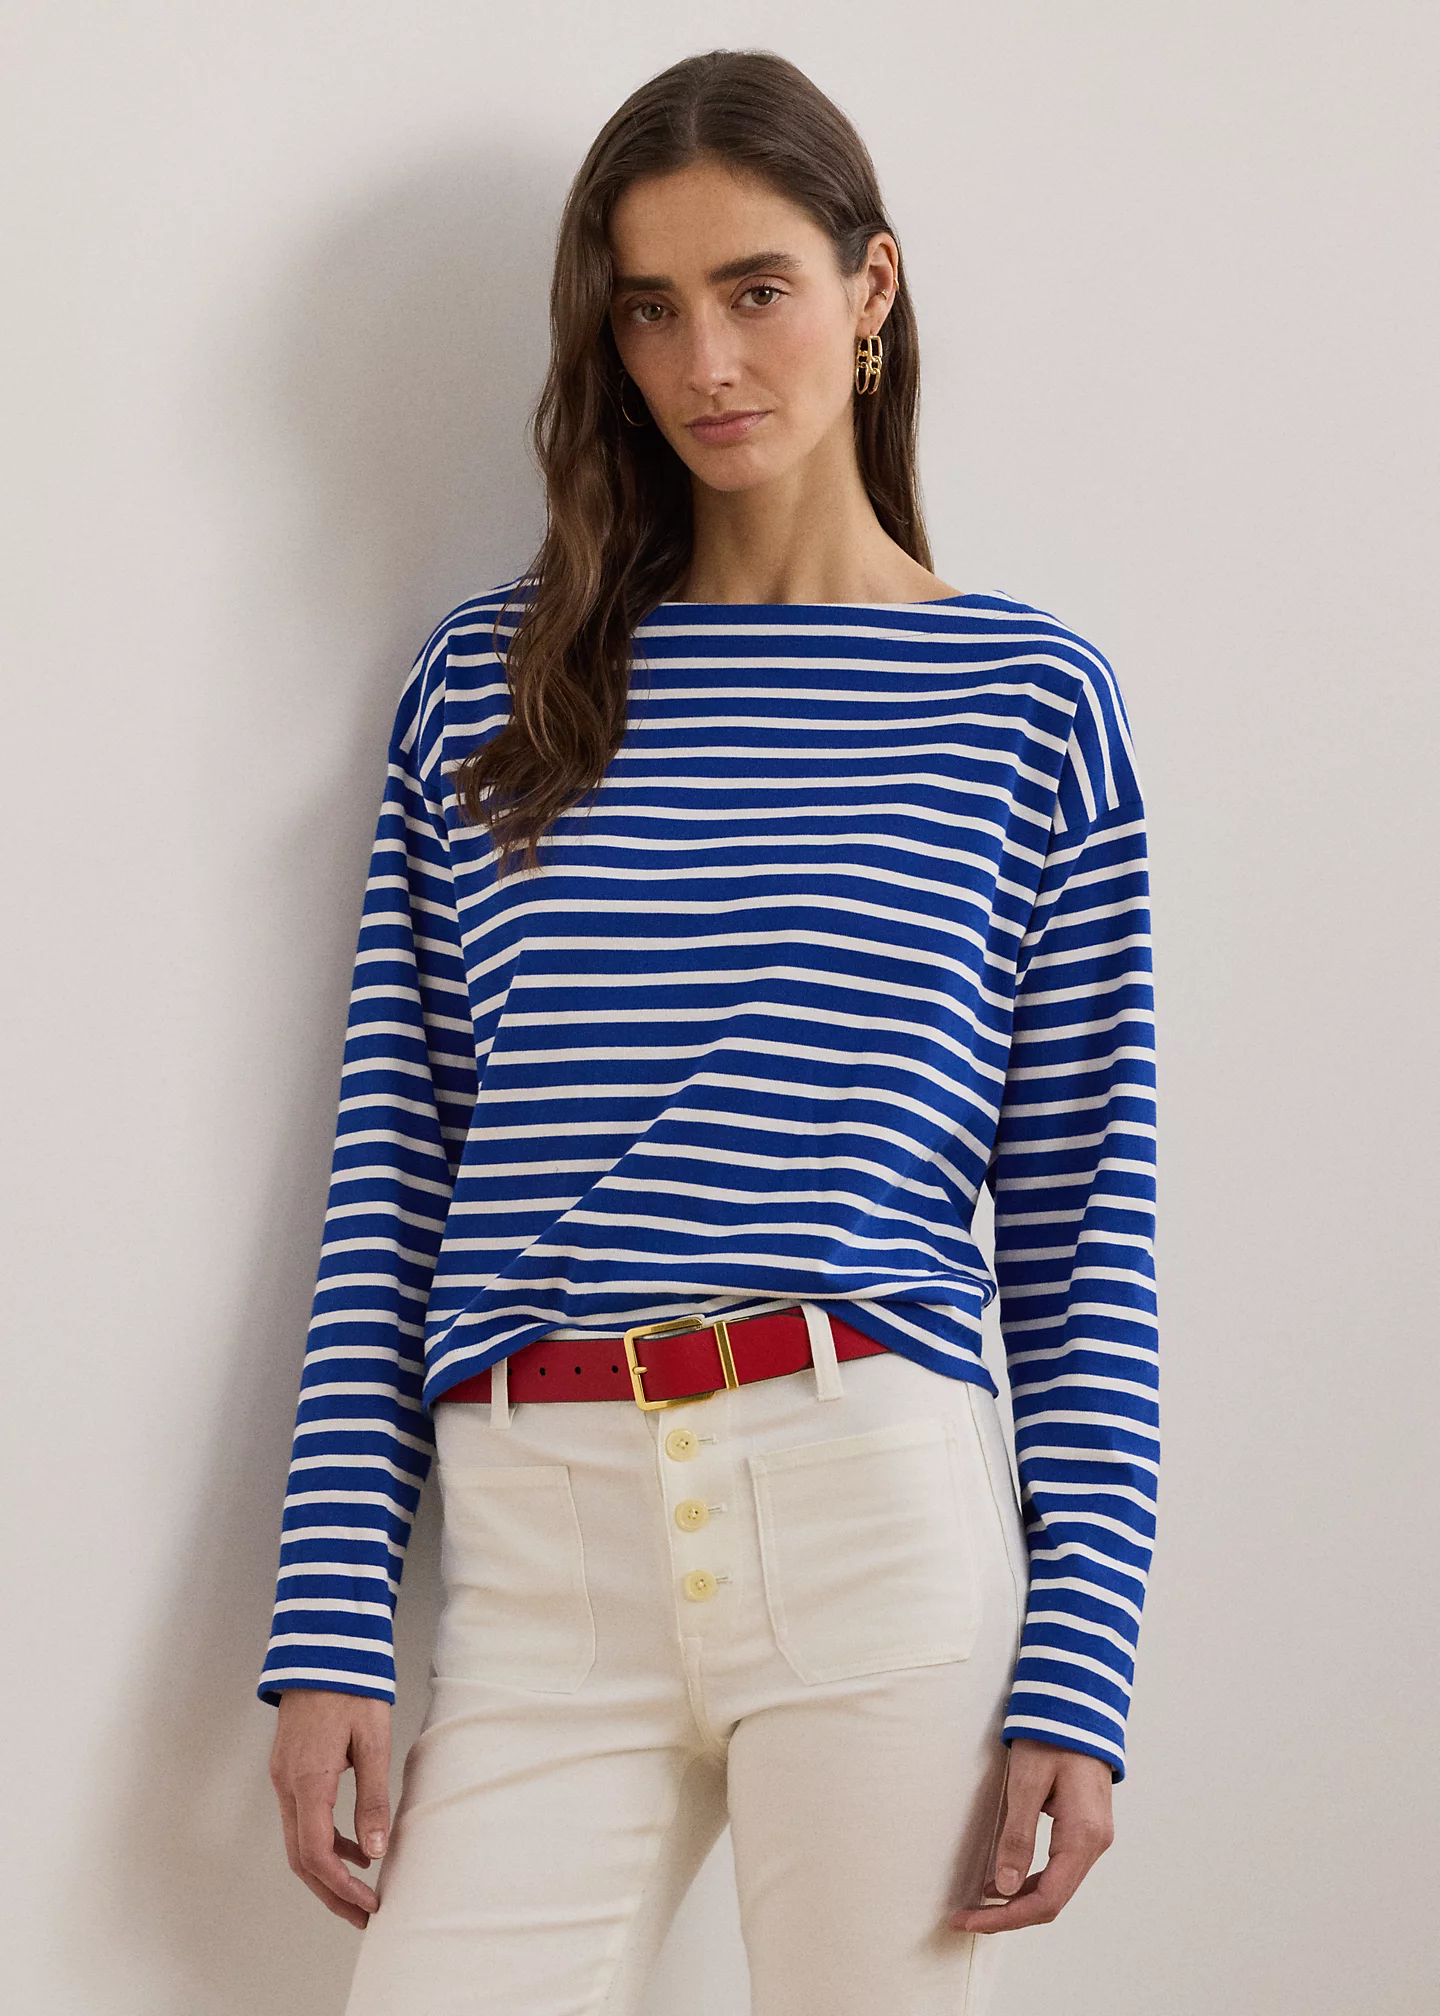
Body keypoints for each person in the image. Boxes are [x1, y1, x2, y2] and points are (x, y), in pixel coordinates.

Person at [260, 47, 1159, 2016]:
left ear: (872, 287)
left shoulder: (1026, 705)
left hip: (871, 1512)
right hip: (540, 1543)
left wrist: (1083, 1667)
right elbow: (395, 1171)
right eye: (648, 310)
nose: (706, 361)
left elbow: (1084, 1235)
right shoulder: (487, 692)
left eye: (757, 289)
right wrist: (329, 1612)